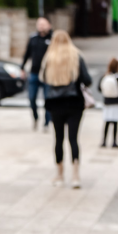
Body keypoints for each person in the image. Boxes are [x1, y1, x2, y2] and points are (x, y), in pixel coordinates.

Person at [42, 31, 92, 188]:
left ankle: (59, 174)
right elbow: (87, 80)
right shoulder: (76, 57)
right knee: (73, 139)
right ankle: (75, 175)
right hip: (74, 103)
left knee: (58, 139)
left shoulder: (49, 58)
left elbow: (44, 78)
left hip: (55, 103)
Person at [22, 17, 52, 130]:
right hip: (34, 72)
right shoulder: (33, 38)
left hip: (47, 74)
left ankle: (47, 122)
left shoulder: (52, 38)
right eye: (39, 24)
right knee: (31, 98)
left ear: (49, 25)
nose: (41, 26)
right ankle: (35, 117)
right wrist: (22, 67)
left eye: (44, 24)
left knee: (47, 99)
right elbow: (27, 54)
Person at [98, 58, 118, 148]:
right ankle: (114, 141)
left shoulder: (105, 77)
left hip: (107, 102)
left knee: (107, 122)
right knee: (115, 122)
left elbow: (99, 88)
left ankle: (104, 141)